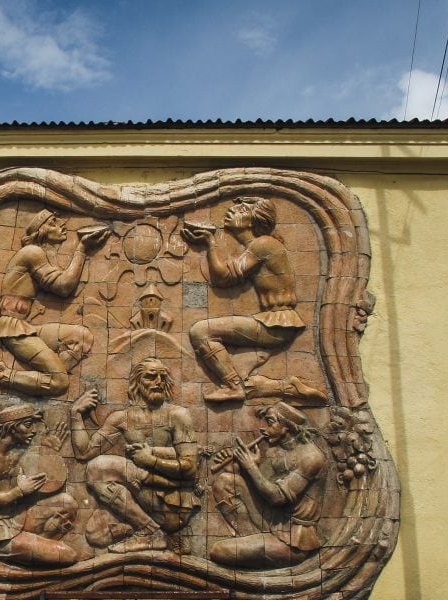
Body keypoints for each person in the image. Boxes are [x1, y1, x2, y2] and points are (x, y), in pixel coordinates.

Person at [181, 197, 311, 403]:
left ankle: (233, 387)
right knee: (248, 377)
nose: (232, 211)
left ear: (253, 220)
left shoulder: (264, 244)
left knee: (200, 331)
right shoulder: (258, 246)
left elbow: (223, 277)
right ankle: (287, 386)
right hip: (273, 322)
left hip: (276, 324)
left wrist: (210, 243)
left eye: (241, 209)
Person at [0, 210, 108, 397]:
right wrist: (82, 248)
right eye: (53, 222)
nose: (62, 225)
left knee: (82, 337)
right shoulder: (32, 252)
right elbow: (63, 286)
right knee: (59, 384)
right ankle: (2, 376)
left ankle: (43, 374)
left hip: (26, 327)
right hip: (12, 329)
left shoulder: (38, 255)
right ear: (41, 231)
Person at [69, 358, 200, 554]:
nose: (158, 382)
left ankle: (151, 533)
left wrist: (151, 459)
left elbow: (190, 467)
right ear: (137, 381)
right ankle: (150, 530)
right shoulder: (121, 418)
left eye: (163, 377)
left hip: (173, 505)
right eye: (151, 376)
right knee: (95, 534)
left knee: (99, 467)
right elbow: (83, 452)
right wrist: (75, 415)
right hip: (143, 497)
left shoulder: (178, 415)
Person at [208, 401, 327, 568]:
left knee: (217, 551)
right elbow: (261, 487)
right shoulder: (275, 450)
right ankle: (250, 538)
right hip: (271, 521)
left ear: (287, 426)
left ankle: (252, 547)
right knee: (225, 482)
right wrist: (242, 466)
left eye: (270, 422)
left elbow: (275, 497)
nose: (263, 428)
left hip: (292, 538)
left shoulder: (311, 457)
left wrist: (250, 466)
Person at [0, 403, 79, 566]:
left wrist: (48, 452)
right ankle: (35, 551)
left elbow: (41, 482)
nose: (33, 430)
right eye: (27, 425)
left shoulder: (15, 451)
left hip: (19, 516)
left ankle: (38, 547)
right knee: (69, 555)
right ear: (11, 427)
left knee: (67, 503)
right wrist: (20, 491)